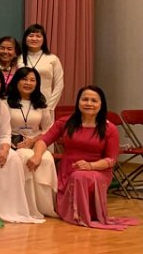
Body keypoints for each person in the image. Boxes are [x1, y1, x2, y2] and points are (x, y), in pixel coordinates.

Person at [28, 86, 139, 231]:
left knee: (80, 176)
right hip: (67, 171)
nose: (89, 103)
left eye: (94, 100)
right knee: (76, 175)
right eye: (85, 99)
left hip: (98, 171)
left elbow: (111, 160)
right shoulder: (65, 122)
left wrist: (90, 166)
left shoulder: (110, 128)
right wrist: (37, 156)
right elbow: (44, 140)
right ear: (78, 102)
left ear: (101, 104)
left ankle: (82, 214)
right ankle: (75, 211)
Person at [0, 67, 43, 224]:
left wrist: (5, 150)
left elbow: (5, 134)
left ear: (1, 85)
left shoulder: (1, 105)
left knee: (14, 158)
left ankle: (13, 209)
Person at [7, 67, 57, 218]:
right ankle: (28, 206)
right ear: (16, 81)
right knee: (26, 156)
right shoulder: (5, 101)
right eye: (24, 79)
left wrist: (33, 140)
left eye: (32, 80)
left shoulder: (41, 103)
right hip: (13, 143)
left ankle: (45, 206)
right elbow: (1, 126)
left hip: (36, 142)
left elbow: (48, 129)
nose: (28, 83)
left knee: (47, 159)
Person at [18, 23, 65, 113]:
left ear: (44, 39)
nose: (34, 39)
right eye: (31, 36)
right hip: (22, 104)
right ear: (25, 38)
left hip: (46, 104)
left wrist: (49, 107)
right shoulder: (19, 58)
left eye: (38, 36)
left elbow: (59, 85)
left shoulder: (52, 59)